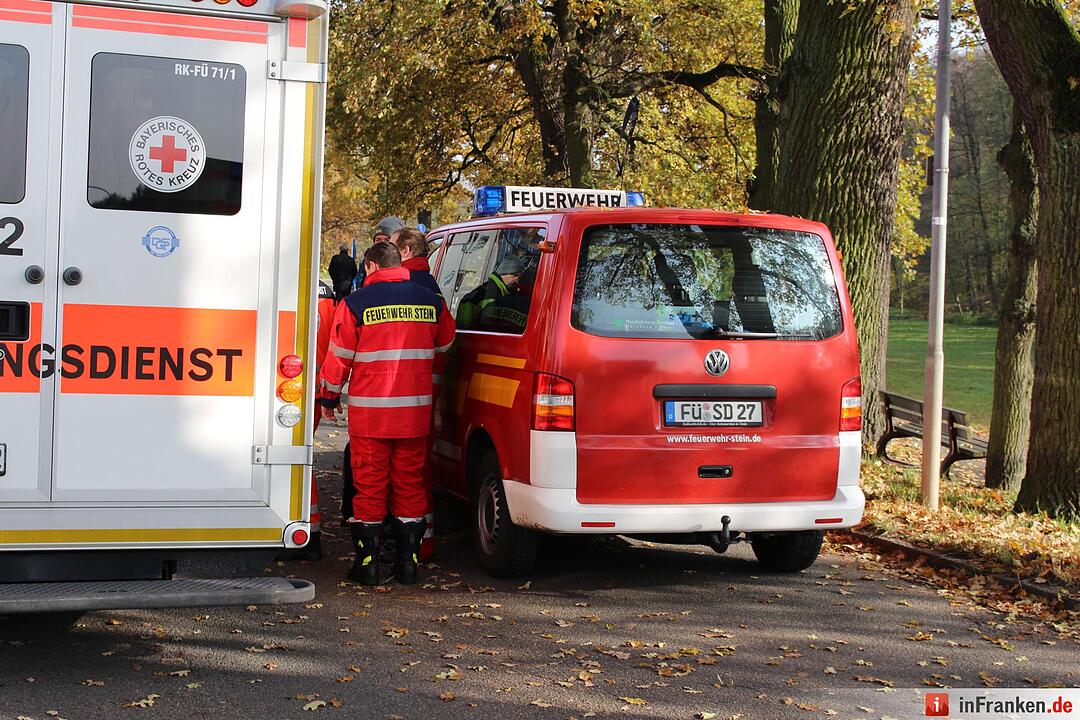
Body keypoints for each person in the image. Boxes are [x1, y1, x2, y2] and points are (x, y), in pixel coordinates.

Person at [319, 242, 455, 586]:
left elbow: (339, 359)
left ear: (370, 265)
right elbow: (445, 343)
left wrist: (328, 399)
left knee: (370, 486)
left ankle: (368, 566)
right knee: (410, 485)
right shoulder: (431, 301)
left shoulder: (355, 304)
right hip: (415, 411)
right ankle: (408, 565)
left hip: (372, 414)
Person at [457, 256, 524, 329]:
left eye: (519, 277)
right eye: (515, 275)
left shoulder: (504, 292)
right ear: (504, 272)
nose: (517, 281)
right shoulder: (487, 294)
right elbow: (465, 329)